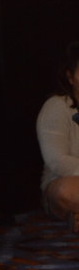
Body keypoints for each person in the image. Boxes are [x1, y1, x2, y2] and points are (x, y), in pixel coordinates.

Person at [36, 41, 79, 232]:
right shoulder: (57, 106)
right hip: (67, 180)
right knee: (67, 191)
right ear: (70, 77)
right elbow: (57, 161)